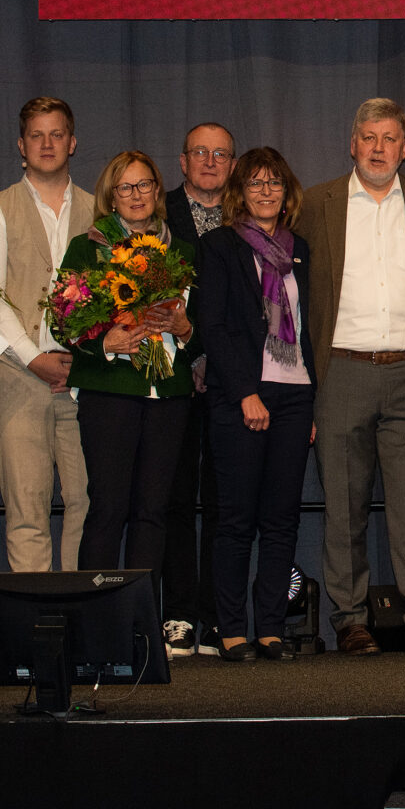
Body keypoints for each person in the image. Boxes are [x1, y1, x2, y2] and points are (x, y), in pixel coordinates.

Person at [295, 98, 405, 655]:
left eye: (389, 138)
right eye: (369, 137)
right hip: (341, 370)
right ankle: (349, 618)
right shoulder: (317, 203)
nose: (379, 148)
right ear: (353, 143)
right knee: (343, 506)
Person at [0, 96, 94, 572]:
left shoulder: (101, 213)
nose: (47, 144)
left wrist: (83, 359)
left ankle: (81, 620)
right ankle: (36, 628)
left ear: (72, 142)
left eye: (56, 134)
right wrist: (31, 357)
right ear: (21, 146)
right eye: (36, 135)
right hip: (17, 377)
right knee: (27, 510)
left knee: (87, 503)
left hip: (85, 380)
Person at [196, 148, 314, 662]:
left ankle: (270, 629)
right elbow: (212, 327)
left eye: (275, 184)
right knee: (236, 519)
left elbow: (311, 326)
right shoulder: (219, 247)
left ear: (287, 194)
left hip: (296, 393)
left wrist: (311, 407)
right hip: (241, 395)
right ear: (238, 194)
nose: (266, 192)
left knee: (282, 518)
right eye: (255, 184)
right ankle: (231, 630)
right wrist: (245, 391)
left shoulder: (300, 249)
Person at [69, 151, 200, 573]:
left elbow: (202, 334)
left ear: (158, 191)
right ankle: (98, 624)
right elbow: (64, 322)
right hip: (110, 393)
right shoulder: (87, 248)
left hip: (169, 397)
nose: (136, 194)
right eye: (125, 187)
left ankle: (141, 623)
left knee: (153, 512)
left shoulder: (181, 251)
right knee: (108, 509)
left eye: (144, 185)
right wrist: (107, 340)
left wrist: (183, 328)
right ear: (111, 196)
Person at [161, 122, 233, 658]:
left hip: (232, 382)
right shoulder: (155, 214)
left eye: (221, 153)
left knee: (227, 505)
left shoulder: (250, 216)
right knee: (177, 501)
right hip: (172, 380)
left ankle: (216, 619)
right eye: (200, 153)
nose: (210, 161)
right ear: (182, 161)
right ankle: (178, 616)